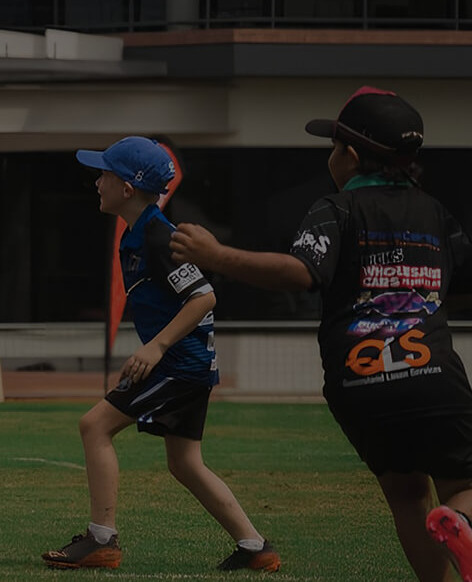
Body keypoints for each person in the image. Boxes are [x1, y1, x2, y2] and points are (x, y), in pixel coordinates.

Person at [171, 88, 472, 581]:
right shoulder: (433, 213)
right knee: (460, 487)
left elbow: (301, 271)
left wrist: (215, 254)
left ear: (350, 156)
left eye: (333, 146)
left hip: (360, 384)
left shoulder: (336, 209)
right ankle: (461, 519)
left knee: (406, 497)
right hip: (432, 377)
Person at [41, 137, 279, 572]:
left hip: (181, 365)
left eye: (104, 175)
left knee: (94, 425)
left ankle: (101, 540)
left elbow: (204, 297)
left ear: (127, 189)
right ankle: (254, 548)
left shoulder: (157, 236)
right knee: (185, 463)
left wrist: (156, 346)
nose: (97, 182)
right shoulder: (141, 233)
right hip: (186, 364)